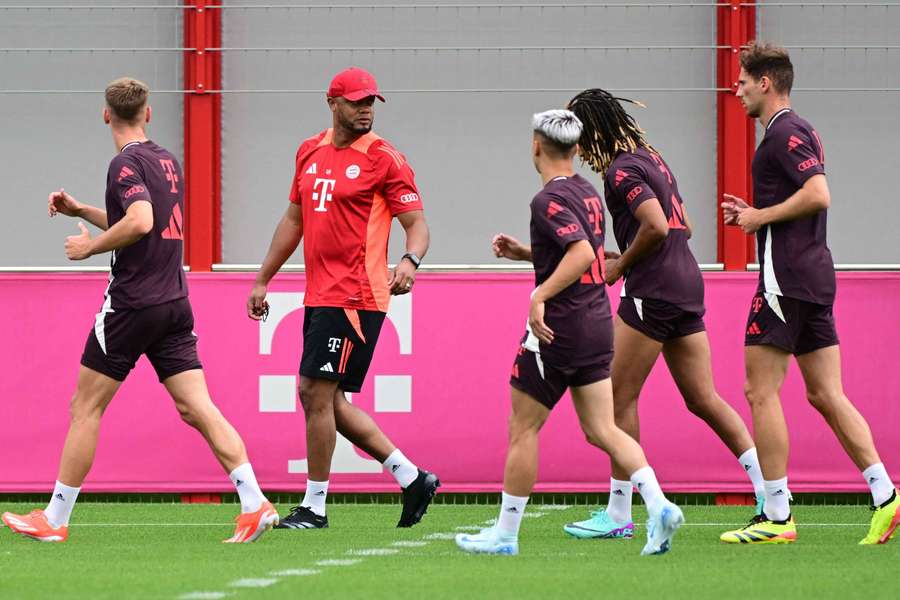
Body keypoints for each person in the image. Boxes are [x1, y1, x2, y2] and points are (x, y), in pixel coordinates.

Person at [1, 78, 277, 544]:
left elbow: (141, 221)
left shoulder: (123, 162)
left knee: (85, 407)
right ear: (148, 114)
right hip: (173, 302)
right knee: (198, 408)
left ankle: (54, 518)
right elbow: (139, 220)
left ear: (106, 115)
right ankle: (255, 502)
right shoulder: (166, 160)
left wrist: (90, 250)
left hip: (132, 304)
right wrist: (82, 210)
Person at [456, 109, 683, 557]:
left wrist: (538, 294)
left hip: (557, 329)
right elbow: (584, 253)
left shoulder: (544, 200)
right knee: (602, 428)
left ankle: (505, 534)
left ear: (536, 146)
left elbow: (580, 253)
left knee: (523, 428)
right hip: (597, 324)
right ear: (577, 150)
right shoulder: (588, 192)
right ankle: (658, 504)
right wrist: (529, 253)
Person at [559, 89, 764, 540]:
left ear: (592, 131)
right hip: (685, 284)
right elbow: (682, 226)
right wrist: (622, 254)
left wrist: (623, 265)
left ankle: (619, 514)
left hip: (652, 292)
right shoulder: (652, 157)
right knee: (704, 398)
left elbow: (655, 226)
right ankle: (770, 497)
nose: (575, 148)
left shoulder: (620, 169)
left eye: (577, 135)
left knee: (615, 400)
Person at [719, 42, 898, 545]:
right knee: (825, 393)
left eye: (742, 82)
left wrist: (759, 218)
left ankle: (777, 516)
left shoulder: (786, 132)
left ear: (766, 83)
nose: (737, 91)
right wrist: (755, 216)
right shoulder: (796, 132)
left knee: (760, 390)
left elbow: (818, 193)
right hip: (811, 277)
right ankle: (886, 495)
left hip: (787, 282)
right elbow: (805, 196)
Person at [247, 67, 439, 530]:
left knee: (314, 392)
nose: (366, 109)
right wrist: (262, 279)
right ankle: (412, 478)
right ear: (333, 103)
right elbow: (293, 221)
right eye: (356, 101)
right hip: (320, 293)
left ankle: (314, 507)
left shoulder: (385, 159)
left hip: (356, 294)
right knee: (326, 400)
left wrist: (410, 262)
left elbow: (417, 224)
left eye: (371, 101)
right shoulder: (308, 151)